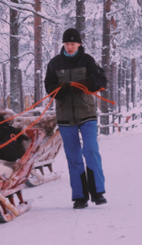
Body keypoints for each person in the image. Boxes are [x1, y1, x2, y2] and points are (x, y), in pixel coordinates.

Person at [44, 27, 108, 209]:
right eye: (67, 43)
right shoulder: (54, 63)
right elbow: (49, 86)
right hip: (65, 116)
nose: (70, 47)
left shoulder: (87, 60)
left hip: (87, 114)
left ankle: (97, 192)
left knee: (90, 150)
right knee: (73, 156)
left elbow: (101, 80)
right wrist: (60, 90)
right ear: (63, 44)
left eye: (73, 43)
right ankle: (80, 196)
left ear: (79, 44)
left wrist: (86, 84)